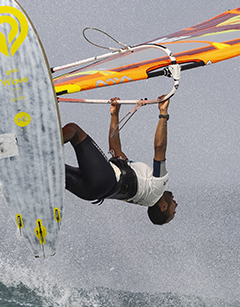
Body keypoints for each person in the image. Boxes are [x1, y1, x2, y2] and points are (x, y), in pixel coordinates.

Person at [61, 95, 177, 225]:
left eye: (174, 210)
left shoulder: (158, 187)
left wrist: (163, 113)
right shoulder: (143, 193)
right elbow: (115, 151)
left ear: (163, 207)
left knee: (74, 130)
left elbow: (159, 148)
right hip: (91, 193)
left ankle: (43, 144)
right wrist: (114, 115)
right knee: (53, 169)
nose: (175, 203)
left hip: (103, 180)